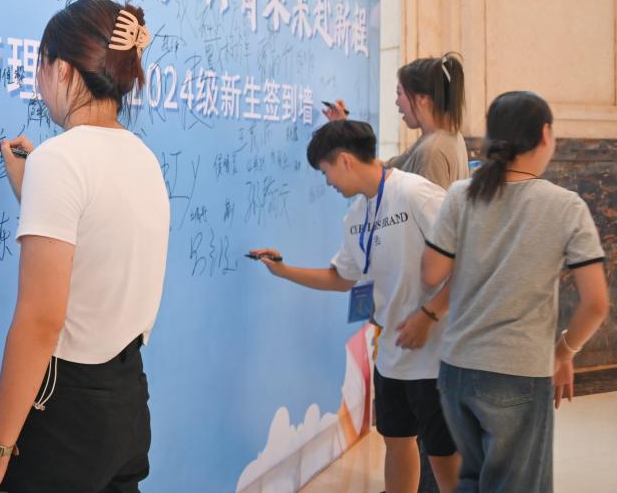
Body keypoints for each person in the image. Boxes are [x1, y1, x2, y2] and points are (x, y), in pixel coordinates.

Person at [0, 0, 170, 493]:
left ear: (64, 69)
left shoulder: (61, 159)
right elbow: (93, 241)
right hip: (127, 402)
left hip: (67, 410)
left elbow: (40, 321)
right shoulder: (142, 157)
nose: (38, 80)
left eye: (41, 64)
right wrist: (30, 187)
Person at [251, 120, 460, 493]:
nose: (327, 182)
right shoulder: (355, 217)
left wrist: (429, 316)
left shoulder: (415, 193)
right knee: (397, 443)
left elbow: (468, 257)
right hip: (391, 355)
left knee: (444, 458)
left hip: (435, 356)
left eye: (326, 171)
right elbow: (341, 278)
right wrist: (283, 270)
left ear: (345, 160)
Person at [423, 91, 610, 493]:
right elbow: (596, 303)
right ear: (545, 135)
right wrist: (564, 352)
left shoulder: (461, 194)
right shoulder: (565, 206)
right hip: (519, 372)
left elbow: (432, 272)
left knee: (471, 481)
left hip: (456, 370)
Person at [326, 53, 468, 190]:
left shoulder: (432, 151)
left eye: (399, 93)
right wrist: (342, 126)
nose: (397, 102)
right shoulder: (445, 138)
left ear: (422, 98)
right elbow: (384, 169)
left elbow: (427, 207)